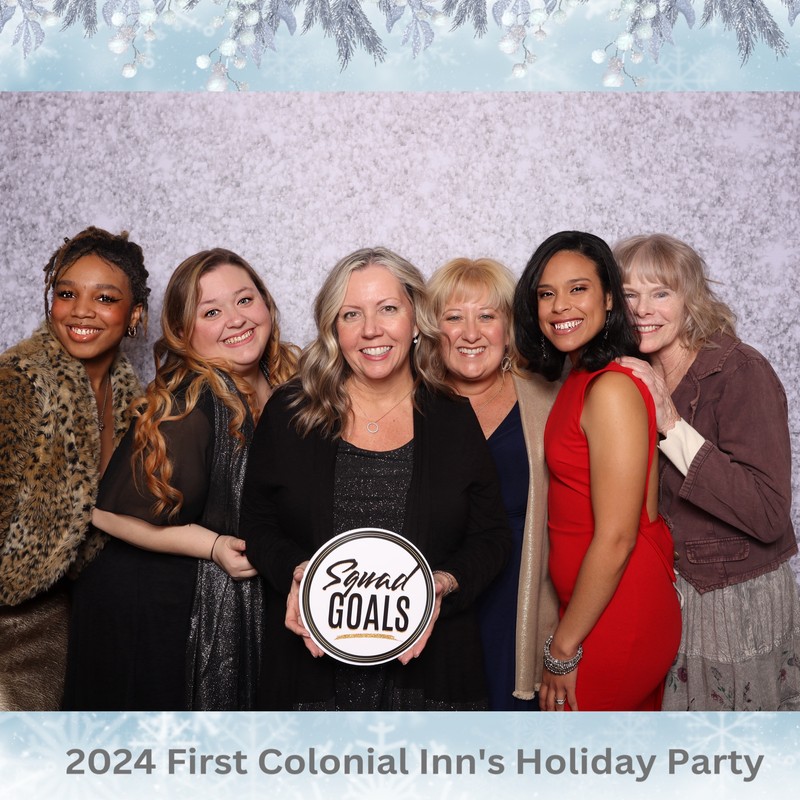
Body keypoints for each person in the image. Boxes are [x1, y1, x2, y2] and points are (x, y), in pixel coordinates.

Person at [240, 246, 512, 711]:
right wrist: (296, 573)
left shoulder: (452, 417)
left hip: (429, 679)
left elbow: (492, 537)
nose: (371, 329)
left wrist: (444, 582)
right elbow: (258, 525)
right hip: (312, 677)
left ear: (414, 318)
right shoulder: (291, 412)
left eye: (388, 308)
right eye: (351, 314)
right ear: (333, 328)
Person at [63, 248, 298, 711]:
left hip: (227, 600)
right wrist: (212, 547)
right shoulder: (191, 400)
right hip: (159, 612)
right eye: (211, 311)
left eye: (244, 300)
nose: (235, 319)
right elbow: (108, 516)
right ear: (185, 332)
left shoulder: (289, 383)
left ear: (266, 304)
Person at [615, 233, 800, 711]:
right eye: (630, 294)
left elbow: (767, 513)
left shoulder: (740, 371)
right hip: (669, 596)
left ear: (690, 300)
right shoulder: (629, 374)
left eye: (661, 293)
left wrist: (671, 423)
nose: (642, 309)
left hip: (735, 599)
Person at [513, 230, 681, 711]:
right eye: (547, 294)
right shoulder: (579, 377)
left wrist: (562, 648)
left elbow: (616, 537)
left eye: (578, 288)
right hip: (592, 607)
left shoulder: (611, 388)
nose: (561, 305)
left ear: (609, 297)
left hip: (621, 606)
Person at [0, 227, 149, 710]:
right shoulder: (17, 383)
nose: (81, 310)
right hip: (9, 623)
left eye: (104, 297)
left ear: (134, 316)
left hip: (70, 623)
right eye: (66, 294)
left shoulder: (135, 403)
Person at [427, 257, 559, 710]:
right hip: (436, 588)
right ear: (431, 328)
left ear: (508, 326)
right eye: (453, 317)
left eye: (487, 315)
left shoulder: (548, 396)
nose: (470, 332)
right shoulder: (410, 401)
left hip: (523, 590)